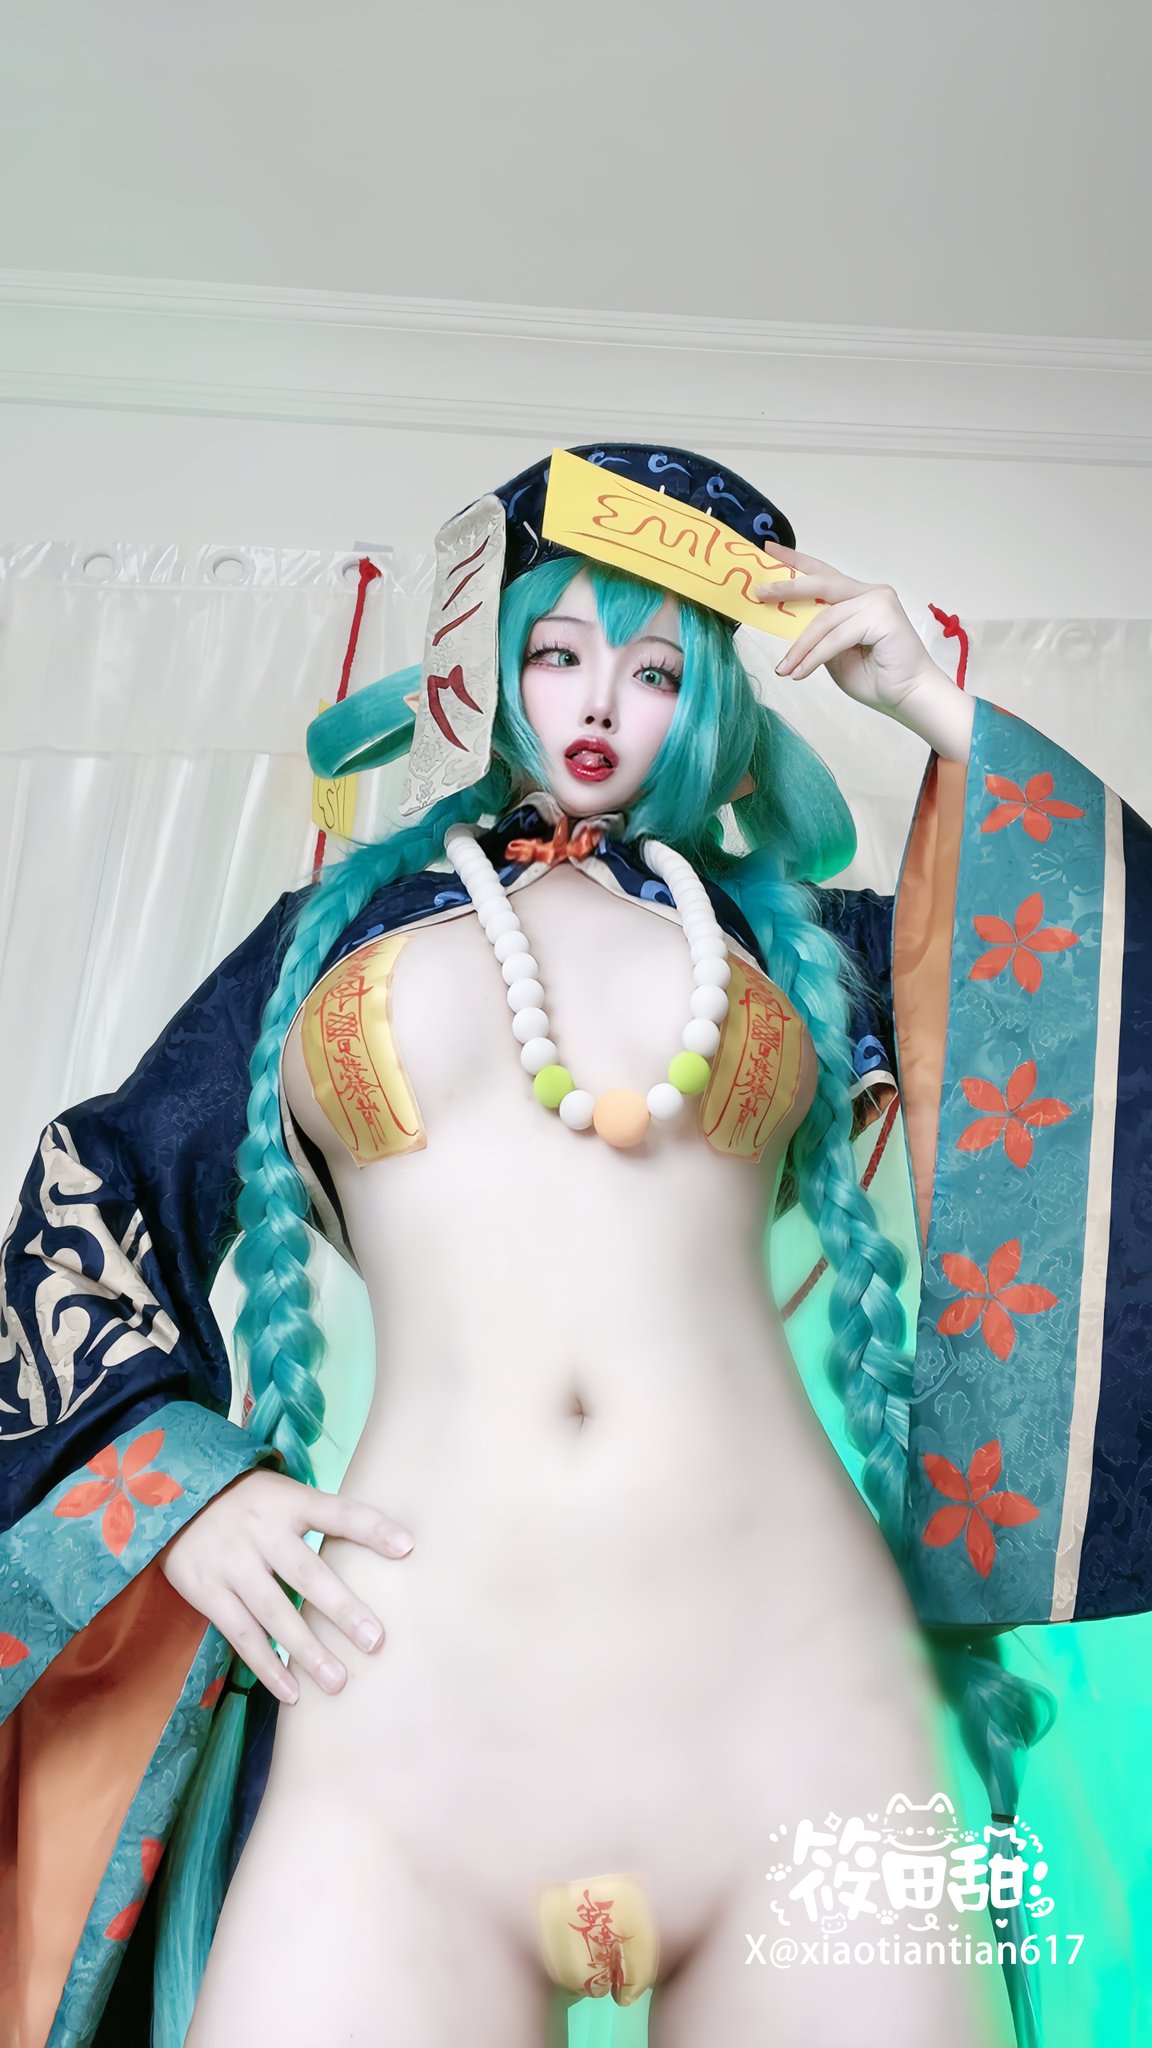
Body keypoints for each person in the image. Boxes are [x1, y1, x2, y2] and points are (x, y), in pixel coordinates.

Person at [2, 441, 1149, 2048]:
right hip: (408, 1707)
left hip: (796, 1700)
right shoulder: (325, 943)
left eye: (657, 670)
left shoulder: (799, 947)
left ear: (717, 702)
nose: (600, 700)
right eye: (557, 652)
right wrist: (185, 1490)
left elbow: (1095, 1013)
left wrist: (937, 712)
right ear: (490, 668)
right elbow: (91, 1200)